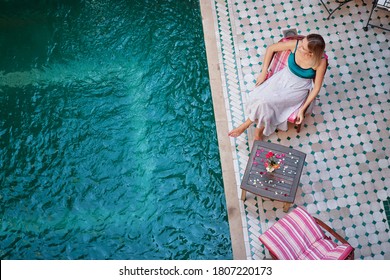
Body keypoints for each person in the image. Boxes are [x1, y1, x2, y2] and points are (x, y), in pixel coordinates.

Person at [228, 34, 327, 140]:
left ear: (311, 53)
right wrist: (264, 71)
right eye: (302, 42)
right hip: (283, 78)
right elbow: (271, 48)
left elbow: (316, 88)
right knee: (262, 100)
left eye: (303, 47)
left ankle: (252, 129)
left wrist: (302, 109)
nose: (300, 46)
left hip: (298, 88)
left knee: (268, 103)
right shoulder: (296, 44)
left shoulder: (320, 62)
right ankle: (250, 127)